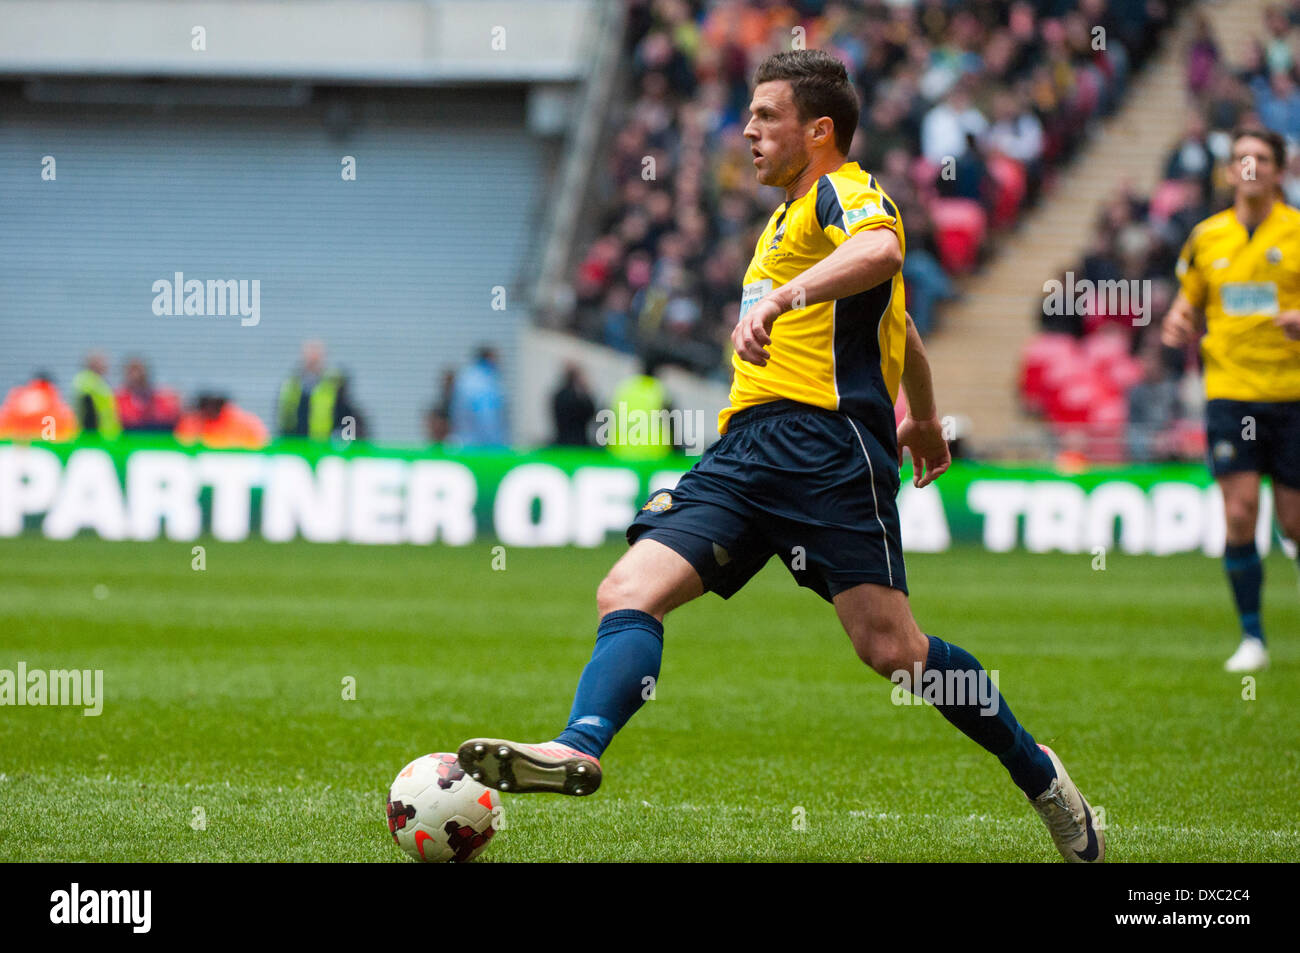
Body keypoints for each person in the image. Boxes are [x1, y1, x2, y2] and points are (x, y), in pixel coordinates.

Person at [455, 50, 1103, 864]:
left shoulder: (845, 190)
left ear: (819, 129)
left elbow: (884, 255)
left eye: (766, 116)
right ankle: (577, 744)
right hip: (744, 447)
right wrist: (925, 416)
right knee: (627, 587)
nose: (748, 131)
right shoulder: (779, 226)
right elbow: (898, 325)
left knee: (895, 652)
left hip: (826, 445)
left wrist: (811, 310)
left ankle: (1039, 774)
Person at [1161, 125, 1300, 673]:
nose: (1249, 167)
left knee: (1293, 524)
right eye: (1240, 157)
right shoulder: (1206, 237)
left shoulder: (1296, 231)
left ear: (1278, 169)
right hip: (1230, 395)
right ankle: (1252, 639)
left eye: (1261, 158)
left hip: (1291, 396)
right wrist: (1177, 317)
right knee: (1239, 513)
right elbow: (1187, 301)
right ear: (1228, 171)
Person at [277, 340, 346, 441]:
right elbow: (284, 416)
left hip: (324, 445)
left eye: (317, 356)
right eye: (310, 355)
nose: (313, 359)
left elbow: (343, 413)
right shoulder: (292, 384)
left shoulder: (334, 384)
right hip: (296, 444)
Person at [449, 347, 508, 447]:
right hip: (482, 449)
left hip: (464, 443)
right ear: (489, 359)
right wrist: (496, 446)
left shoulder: (465, 378)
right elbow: (487, 419)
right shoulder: (483, 383)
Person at [0, 372, 79, 441]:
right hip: (46, 450)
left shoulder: (18, 395)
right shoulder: (53, 399)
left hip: (11, 448)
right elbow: (69, 432)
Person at [175, 393, 269, 450]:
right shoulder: (192, 422)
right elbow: (182, 445)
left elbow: (260, 444)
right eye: (208, 405)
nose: (211, 409)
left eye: (215, 405)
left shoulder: (244, 422)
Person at [116, 357, 181, 433]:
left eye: (140, 378)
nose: (136, 376)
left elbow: (173, 422)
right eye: (132, 374)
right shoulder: (119, 400)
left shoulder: (162, 400)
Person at [72, 352, 121, 440]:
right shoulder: (87, 382)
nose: (105, 365)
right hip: (94, 437)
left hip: (105, 436)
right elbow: (88, 413)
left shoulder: (99, 381)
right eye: (101, 362)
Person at [551, 363, 596, 447]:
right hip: (579, 445)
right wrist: (586, 391)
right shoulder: (579, 399)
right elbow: (591, 411)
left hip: (561, 443)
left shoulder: (558, 396)